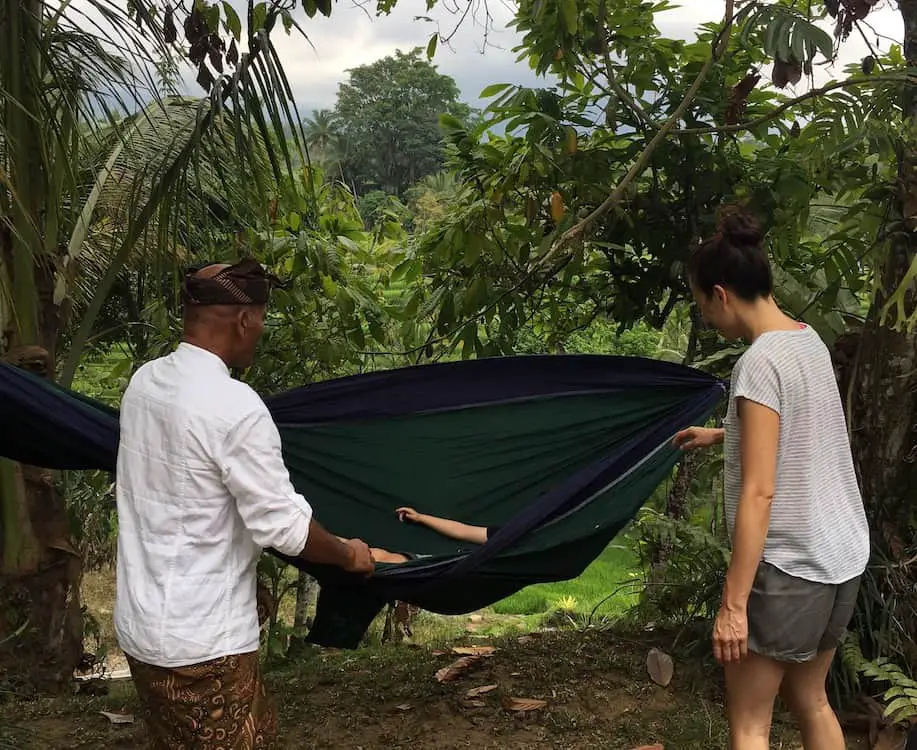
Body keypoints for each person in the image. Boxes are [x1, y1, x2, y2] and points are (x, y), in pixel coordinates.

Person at [114, 259, 375, 750]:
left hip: (143, 628)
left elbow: (183, 503)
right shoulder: (235, 407)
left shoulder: (145, 384)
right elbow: (286, 529)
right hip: (202, 644)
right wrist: (348, 554)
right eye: (262, 319)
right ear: (244, 320)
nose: (260, 332)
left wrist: (246, 579)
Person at [672, 206, 870, 750]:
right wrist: (723, 434)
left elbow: (760, 493)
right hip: (842, 556)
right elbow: (803, 431)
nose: (707, 318)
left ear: (721, 293)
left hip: (790, 566)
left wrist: (734, 606)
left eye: (701, 305)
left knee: (751, 724)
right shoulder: (807, 340)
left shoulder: (757, 364)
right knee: (813, 701)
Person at [332, 508, 497, 565]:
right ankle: (328, 540)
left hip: (459, 568)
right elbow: (461, 530)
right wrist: (420, 517)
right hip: (447, 562)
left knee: (381, 559)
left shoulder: (518, 543)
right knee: (380, 557)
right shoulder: (509, 532)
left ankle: (329, 542)